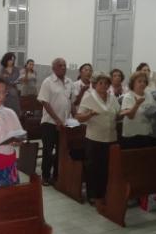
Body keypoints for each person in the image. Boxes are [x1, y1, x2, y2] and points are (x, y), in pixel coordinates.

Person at [76, 72, 120, 204]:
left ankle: (104, 193)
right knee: (93, 168)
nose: (104, 86)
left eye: (106, 83)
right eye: (101, 83)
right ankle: (93, 195)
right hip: (94, 139)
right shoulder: (89, 97)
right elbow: (79, 117)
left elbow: (118, 114)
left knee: (107, 168)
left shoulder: (112, 98)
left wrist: (127, 112)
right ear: (95, 84)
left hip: (111, 138)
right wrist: (89, 114)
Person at [37, 58, 73, 186]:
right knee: (48, 149)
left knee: (60, 150)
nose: (63, 67)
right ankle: (45, 176)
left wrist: (71, 119)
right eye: (60, 65)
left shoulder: (69, 82)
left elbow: (70, 101)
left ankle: (57, 175)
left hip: (64, 123)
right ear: (53, 68)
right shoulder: (48, 82)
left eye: (64, 65)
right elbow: (44, 102)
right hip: (49, 122)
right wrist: (57, 120)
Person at [120, 71, 156, 148]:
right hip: (131, 134)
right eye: (139, 81)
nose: (142, 83)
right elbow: (130, 116)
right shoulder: (128, 96)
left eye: (144, 81)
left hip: (145, 132)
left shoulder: (149, 95)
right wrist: (137, 104)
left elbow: (153, 110)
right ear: (133, 83)